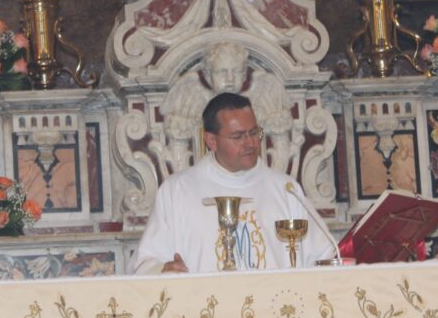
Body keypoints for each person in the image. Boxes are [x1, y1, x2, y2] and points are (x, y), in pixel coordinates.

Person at [133, 92, 336, 274]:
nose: (250, 143)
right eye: (238, 136)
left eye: (254, 133)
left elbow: (325, 256)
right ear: (211, 141)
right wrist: (164, 270)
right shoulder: (177, 191)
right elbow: (145, 263)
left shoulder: (285, 189)